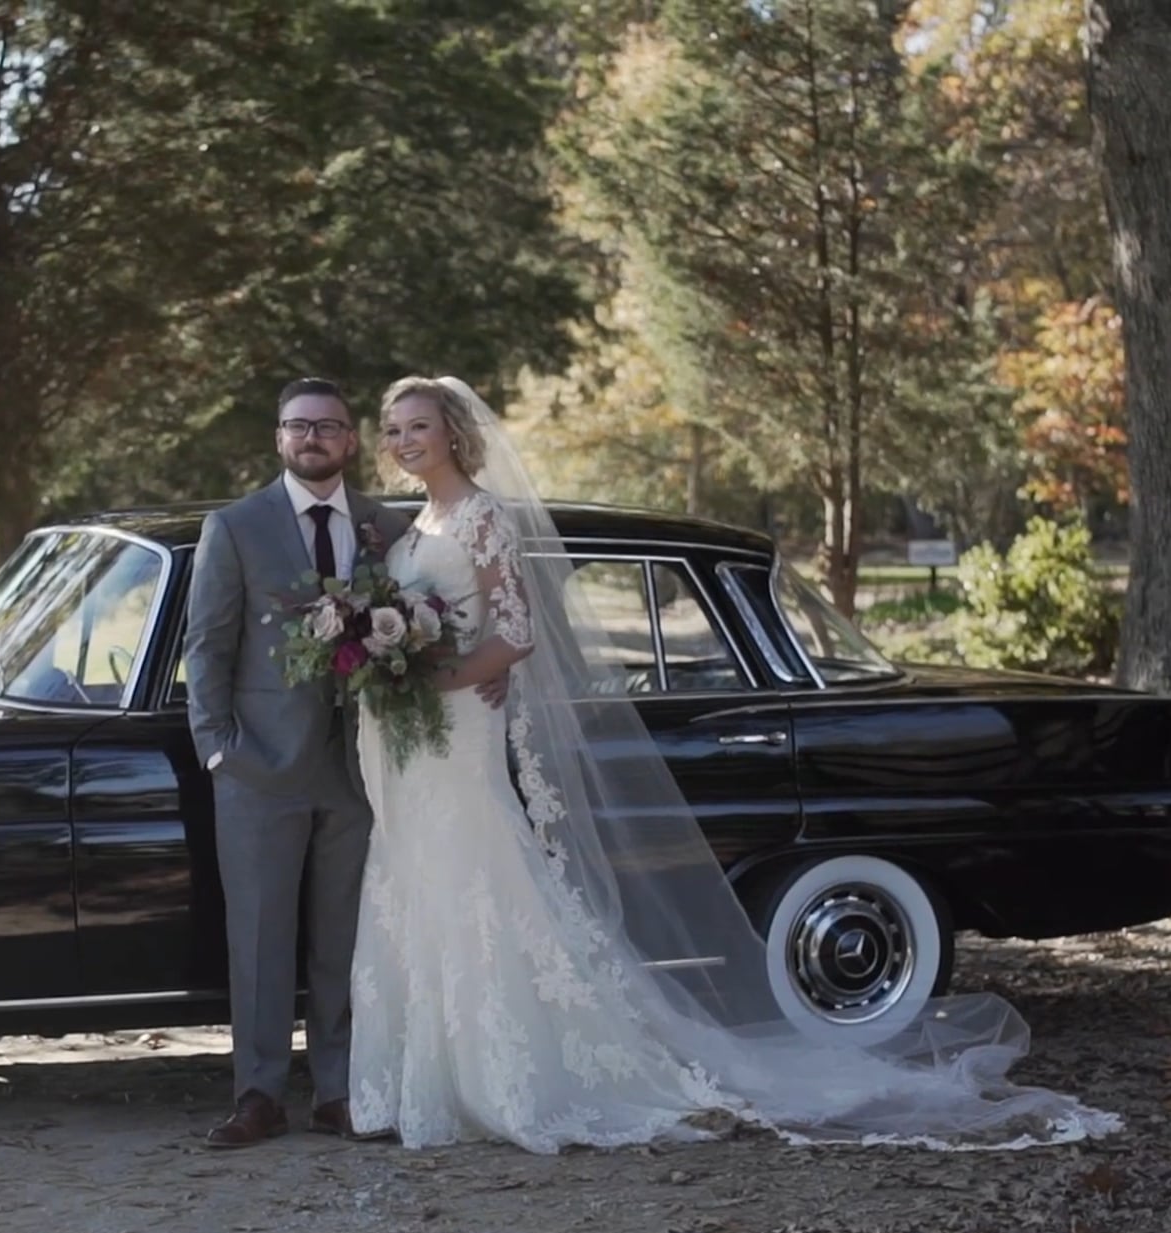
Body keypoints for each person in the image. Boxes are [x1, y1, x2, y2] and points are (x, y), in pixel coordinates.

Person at [344, 375, 1122, 1153]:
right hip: (417, 738)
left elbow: (516, 634)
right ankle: (435, 1079)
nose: (405, 440)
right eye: (394, 429)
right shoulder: (415, 525)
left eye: (419, 426)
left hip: (454, 728)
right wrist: (394, 666)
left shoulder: (483, 517)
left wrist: (430, 679)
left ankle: (501, 1080)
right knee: (421, 878)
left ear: (453, 432)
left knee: (475, 876)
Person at [183, 377, 503, 1149]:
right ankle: (258, 1096)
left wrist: (495, 670)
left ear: (350, 440)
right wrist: (218, 747)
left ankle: (340, 1090)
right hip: (260, 768)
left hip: (365, 767)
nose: (312, 438)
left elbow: (448, 620)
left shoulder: (387, 527)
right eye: (298, 426)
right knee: (259, 938)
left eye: (328, 426)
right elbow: (206, 645)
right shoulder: (235, 526)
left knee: (348, 939)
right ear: (279, 438)